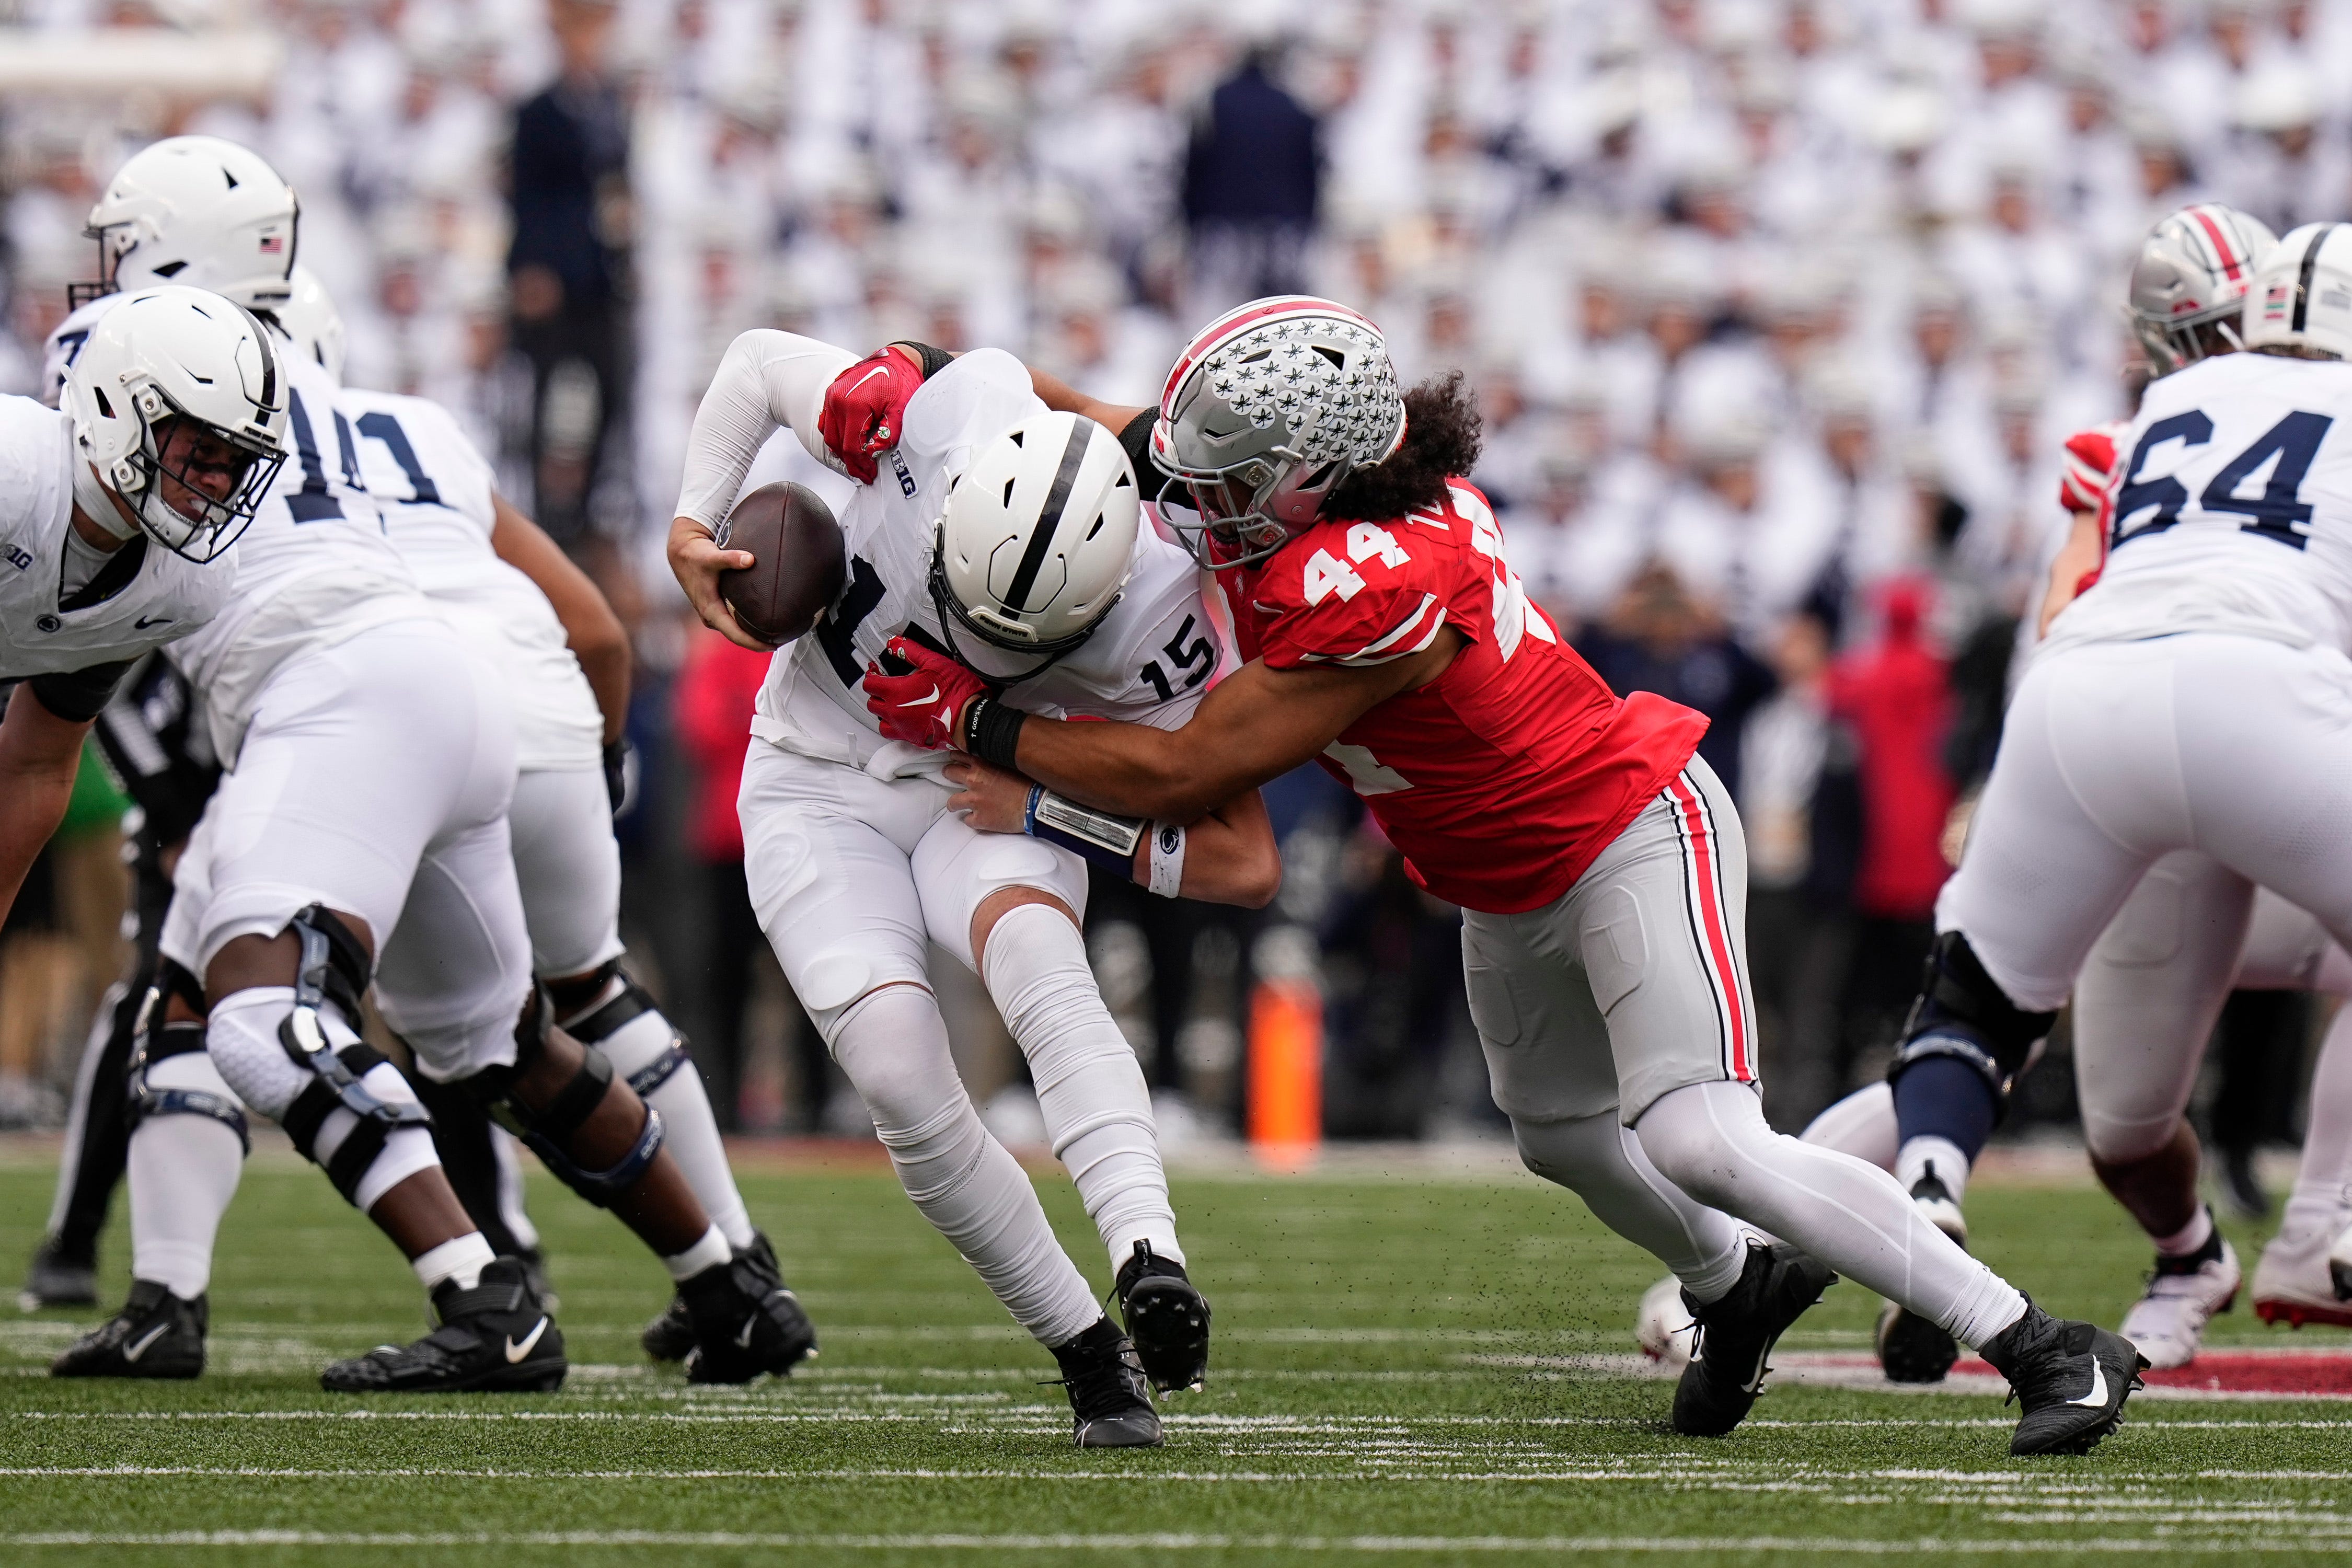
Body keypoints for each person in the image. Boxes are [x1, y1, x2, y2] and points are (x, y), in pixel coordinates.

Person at [848, 295, 2145, 1456]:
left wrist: (980, 724)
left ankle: (2037, 1339)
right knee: (1561, 1137)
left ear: (1308, 480)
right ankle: (1731, 1287)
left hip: (1625, 826)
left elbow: (1193, 769)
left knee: (1696, 1132)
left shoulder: (1373, 579)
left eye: (1229, 472)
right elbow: (1104, 425)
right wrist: (938, 372)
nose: (1189, 488)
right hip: (1501, 877)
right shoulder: (1295, 494)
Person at [47, 135, 804, 1393]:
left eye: (121, 251)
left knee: (254, 1017)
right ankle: (726, 1276)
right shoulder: (381, 413)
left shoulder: (126, 367)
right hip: (454, 687)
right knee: (504, 1045)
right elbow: (587, 619)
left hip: (334, 693)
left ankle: (482, 1293)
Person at [667, 328, 1279, 1447]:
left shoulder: (1163, 622)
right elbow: (757, 362)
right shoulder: (934, 418)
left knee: (1040, 959)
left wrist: (1048, 806)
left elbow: (1246, 861)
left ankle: (1152, 1254)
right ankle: (1089, 1356)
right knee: (900, 1073)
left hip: (982, 790)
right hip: (811, 776)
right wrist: (692, 524)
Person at [1, 284, 287, 937]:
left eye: (237, 463)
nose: (217, 482)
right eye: (205, 451)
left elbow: (37, 761)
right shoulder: (13, 472)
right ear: (123, 410)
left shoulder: (187, 583)